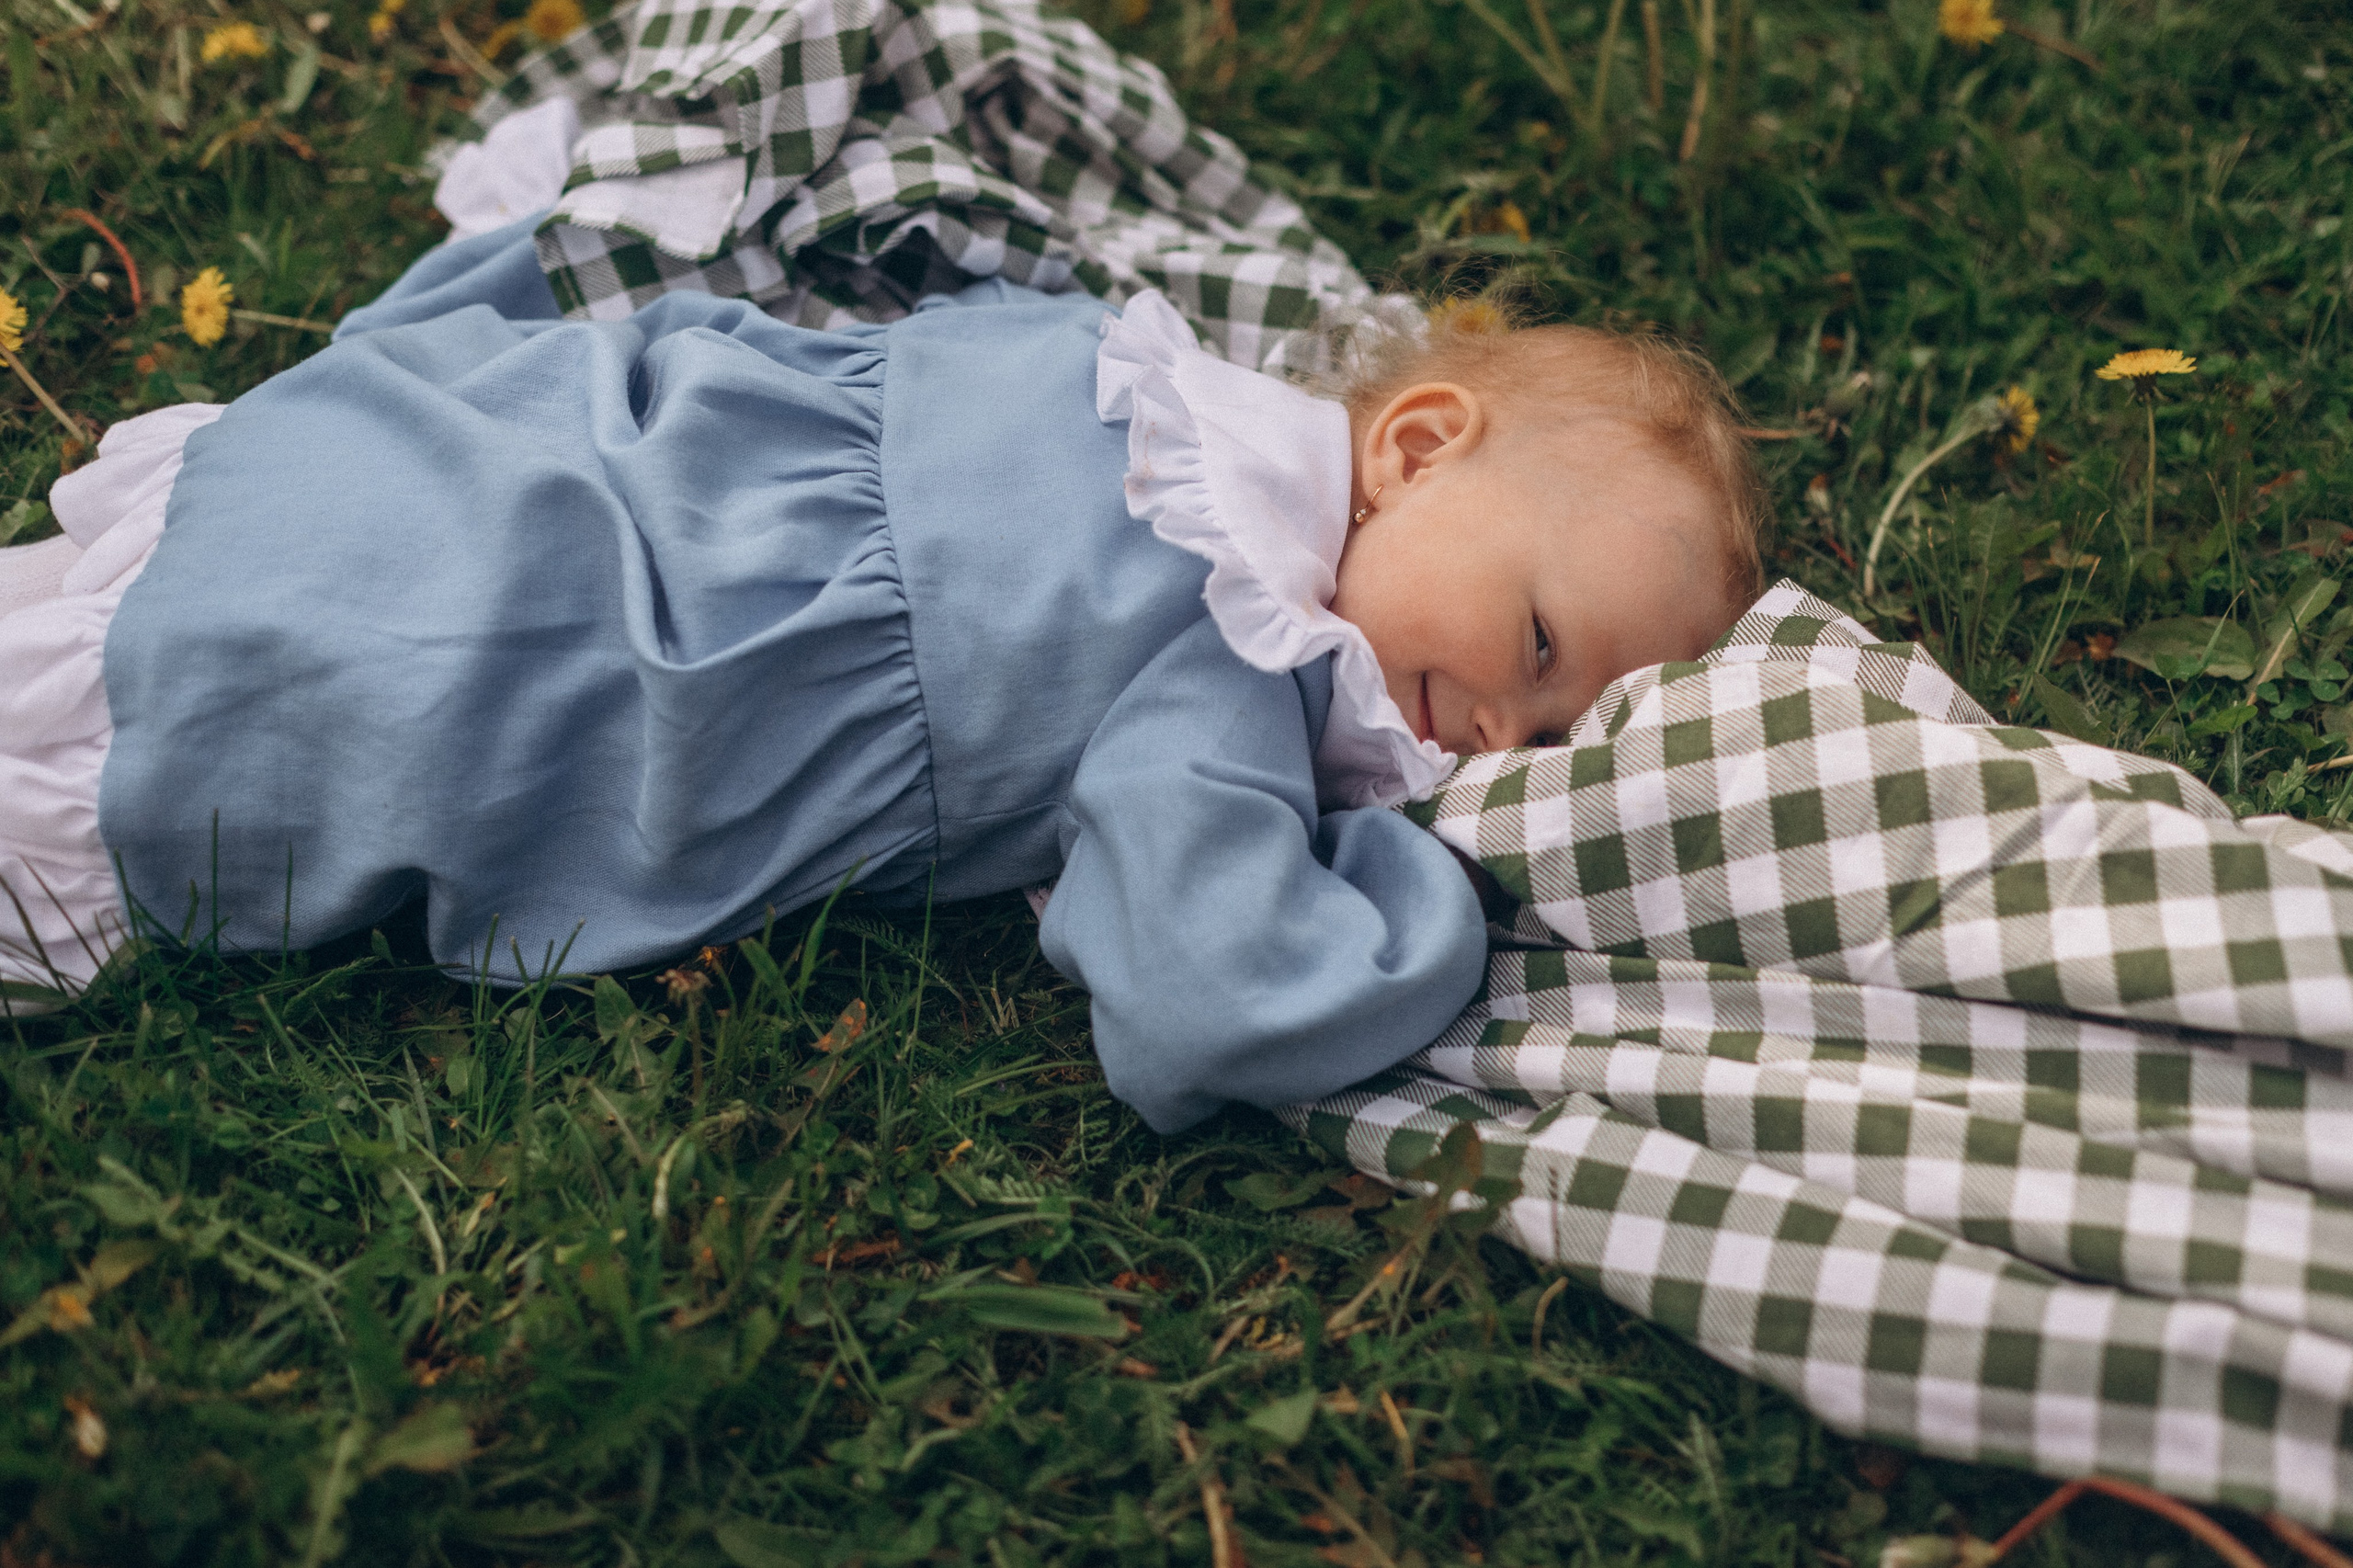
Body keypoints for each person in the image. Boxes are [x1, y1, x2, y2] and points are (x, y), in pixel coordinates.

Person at [0, 220, 1764, 1131]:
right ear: (1420, 446)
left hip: (467, 457)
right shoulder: (1226, 660)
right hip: (543, 642)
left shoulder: (1133, 368)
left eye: (1552, 728)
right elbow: (1220, 996)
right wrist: (1410, 882)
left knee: (236, 607)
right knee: (382, 683)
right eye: (1535, 645)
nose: (1498, 731)